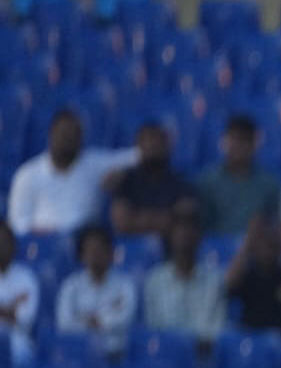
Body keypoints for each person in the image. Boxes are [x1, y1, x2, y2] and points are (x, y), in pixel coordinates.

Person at [7, 109, 138, 235]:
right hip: (42, 245)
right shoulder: (27, 174)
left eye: (74, 134)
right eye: (63, 134)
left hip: (83, 245)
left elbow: (135, 156)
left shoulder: (95, 165)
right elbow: (17, 223)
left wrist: (123, 174)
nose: (68, 139)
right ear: (51, 134)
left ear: (81, 138)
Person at [143, 213, 225, 344]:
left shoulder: (215, 281)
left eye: (190, 232)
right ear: (171, 238)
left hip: (202, 358)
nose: (185, 238)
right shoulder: (154, 281)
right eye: (180, 233)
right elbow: (154, 329)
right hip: (166, 356)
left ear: (199, 239)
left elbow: (216, 332)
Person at [55, 224, 136, 355]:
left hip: (114, 352)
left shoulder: (125, 285)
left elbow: (125, 319)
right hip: (79, 353)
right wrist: (100, 321)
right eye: (90, 250)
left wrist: (91, 320)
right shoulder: (70, 286)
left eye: (100, 249)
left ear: (110, 253)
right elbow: (64, 324)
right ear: (82, 255)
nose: (95, 255)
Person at [197, 113, 281, 236]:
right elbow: (202, 226)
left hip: (257, 250)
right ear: (223, 142)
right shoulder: (207, 182)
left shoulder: (269, 184)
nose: (239, 145)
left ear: (254, 145)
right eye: (233, 139)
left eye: (245, 140)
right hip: (214, 250)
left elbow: (275, 225)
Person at [109, 122, 195, 239]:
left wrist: (138, 218)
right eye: (146, 141)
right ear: (138, 147)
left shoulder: (180, 182)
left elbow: (183, 218)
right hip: (132, 248)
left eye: (156, 141)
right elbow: (121, 222)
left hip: (169, 249)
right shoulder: (126, 181)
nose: (151, 145)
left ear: (166, 145)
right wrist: (160, 219)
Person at [0, 223, 42, 368]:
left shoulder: (26, 278)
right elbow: (12, 313)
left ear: (13, 246)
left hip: (16, 339)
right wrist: (9, 308)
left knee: (21, 353)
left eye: (4, 242)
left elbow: (24, 319)